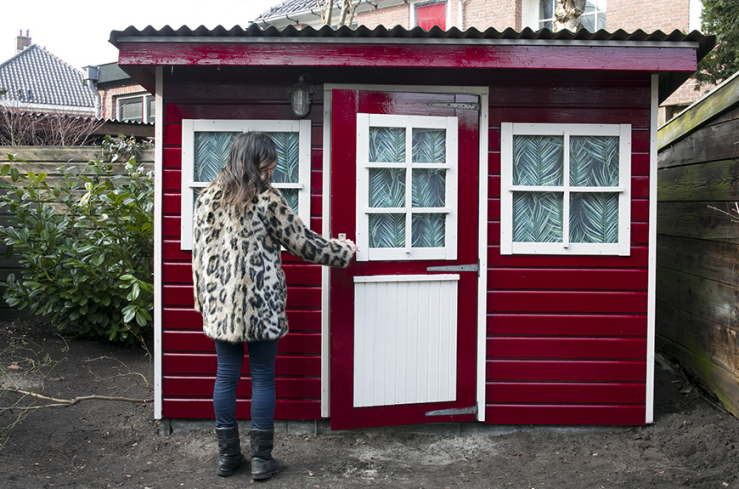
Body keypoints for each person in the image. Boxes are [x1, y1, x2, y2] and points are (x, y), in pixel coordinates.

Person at [191, 132, 357, 480]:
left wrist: (202, 301)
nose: (274, 166)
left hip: (220, 306)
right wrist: (343, 250)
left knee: (225, 378)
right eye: (269, 160)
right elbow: (303, 243)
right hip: (262, 304)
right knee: (263, 378)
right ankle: (262, 461)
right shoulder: (267, 199)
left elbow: (198, 258)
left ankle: (227, 458)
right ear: (255, 160)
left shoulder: (206, 199)